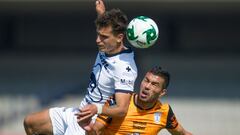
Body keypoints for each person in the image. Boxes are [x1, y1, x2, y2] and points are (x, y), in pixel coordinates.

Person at [23, 0, 138, 134]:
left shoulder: (125, 68)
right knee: (31, 123)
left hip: (93, 122)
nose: (97, 40)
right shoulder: (108, 45)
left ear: (119, 38)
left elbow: (122, 109)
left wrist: (97, 109)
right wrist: (101, 12)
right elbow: (104, 25)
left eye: (103, 37)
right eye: (98, 34)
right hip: (79, 112)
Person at [89, 66, 192, 135]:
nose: (147, 86)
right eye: (146, 80)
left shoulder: (164, 112)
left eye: (154, 84)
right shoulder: (119, 102)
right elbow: (96, 130)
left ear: (162, 92)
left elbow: (182, 133)